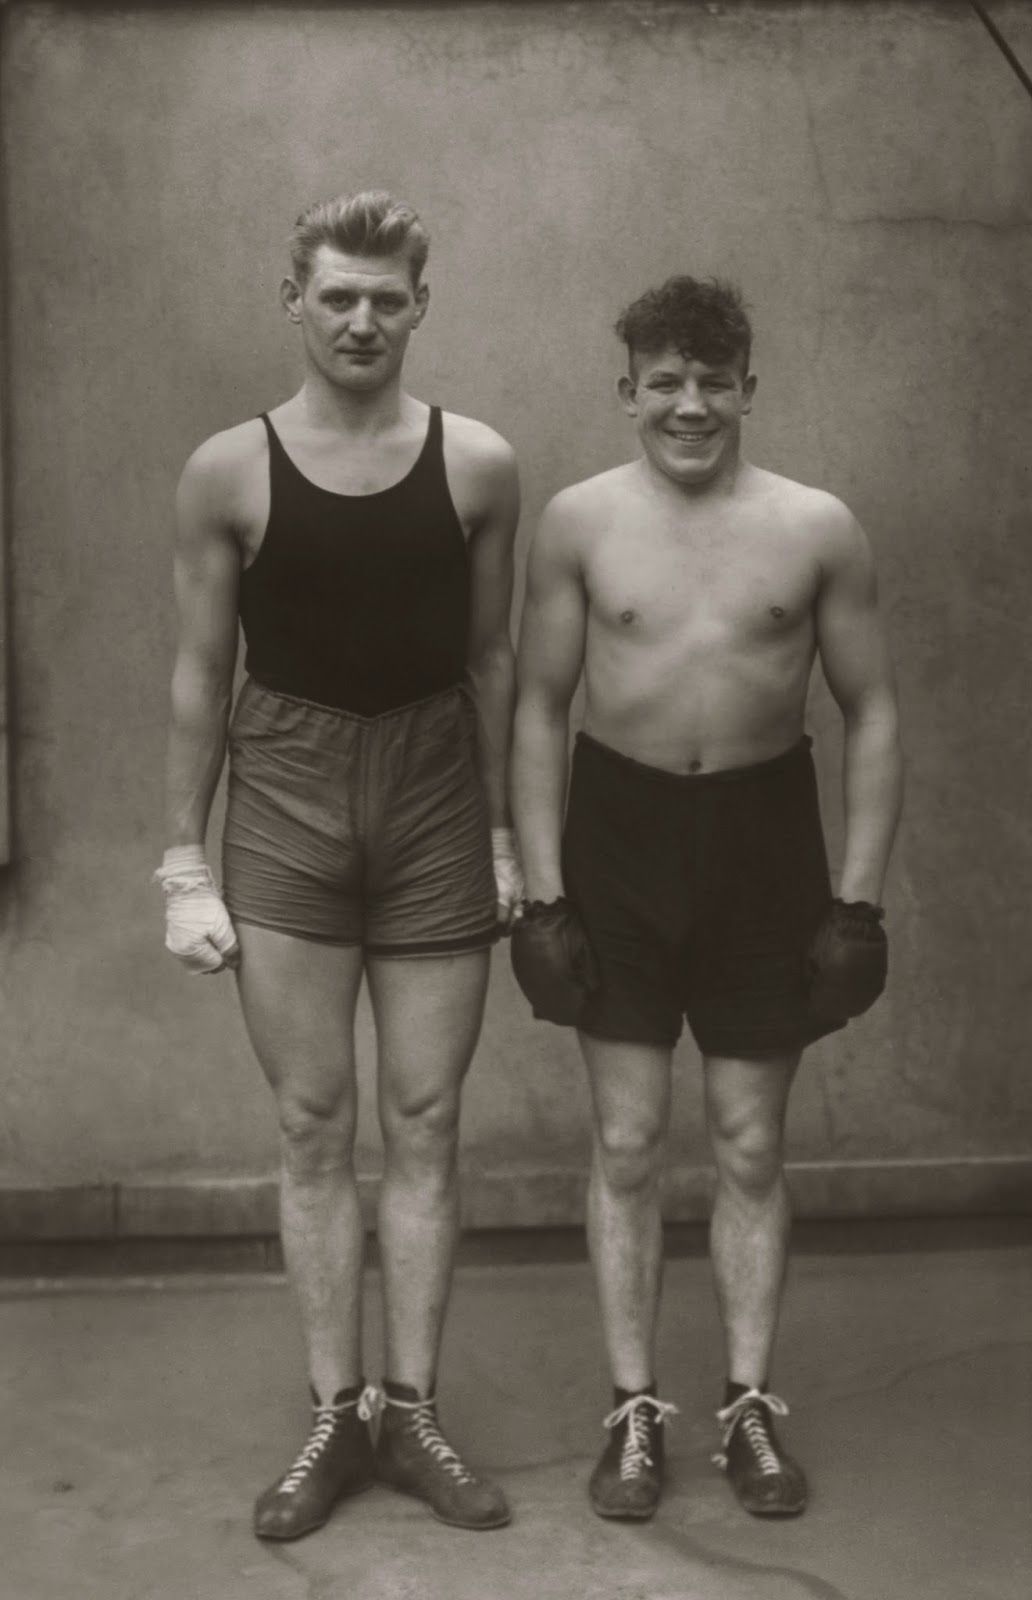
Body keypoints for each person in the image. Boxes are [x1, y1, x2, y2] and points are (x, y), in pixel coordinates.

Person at [157, 191, 522, 1540]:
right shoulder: (228, 472)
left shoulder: (478, 463)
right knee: (315, 1122)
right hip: (290, 794)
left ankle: (410, 1411)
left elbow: (492, 663)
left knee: (424, 1119)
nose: (362, 319)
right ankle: (332, 1412)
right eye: (338, 296)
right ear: (295, 301)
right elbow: (202, 674)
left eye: (387, 298)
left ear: (421, 306)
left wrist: (505, 834)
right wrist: (179, 860)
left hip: (434, 795)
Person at [510, 276, 902, 1521]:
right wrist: (543, 892)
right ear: (629, 389)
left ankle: (745, 1405)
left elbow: (873, 710)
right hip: (618, 839)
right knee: (626, 1142)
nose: (690, 404)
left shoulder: (816, 525)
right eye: (664, 381)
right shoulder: (577, 522)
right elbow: (535, 708)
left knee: (748, 1141)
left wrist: (857, 903)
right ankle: (632, 1408)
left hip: (762, 843)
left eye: (713, 380)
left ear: (749, 385)